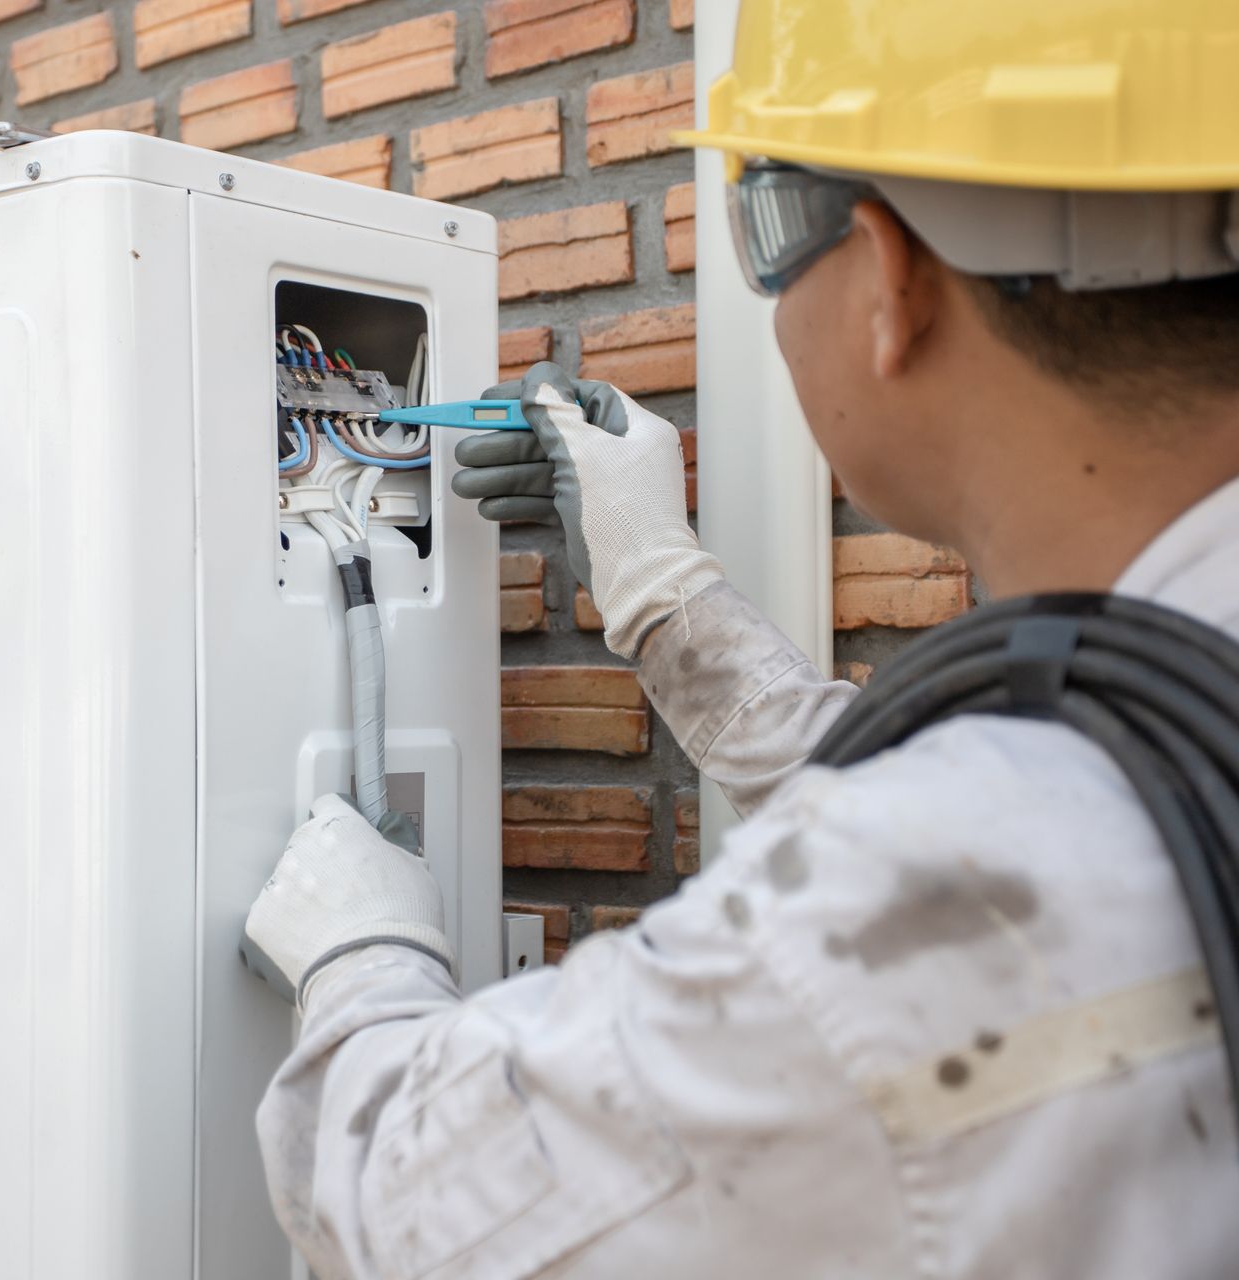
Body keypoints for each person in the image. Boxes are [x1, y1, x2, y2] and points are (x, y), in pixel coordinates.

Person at [243, 1, 1239, 1274]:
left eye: (765, 234)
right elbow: (981, 787)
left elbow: (414, 1204)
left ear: (888, 277)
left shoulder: (922, 906)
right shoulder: (1137, 738)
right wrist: (663, 588)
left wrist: (362, 949)